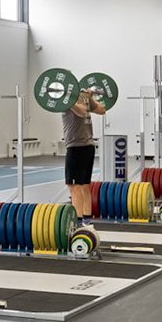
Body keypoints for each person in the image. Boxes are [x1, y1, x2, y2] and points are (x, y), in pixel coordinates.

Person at [62, 86, 100, 222]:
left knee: (75, 186)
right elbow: (101, 109)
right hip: (86, 146)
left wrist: (68, 101)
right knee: (82, 185)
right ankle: (87, 220)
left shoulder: (72, 101)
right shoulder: (85, 97)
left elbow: (84, 112)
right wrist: (89, 97)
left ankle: (77, 222)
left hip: (77, 147)